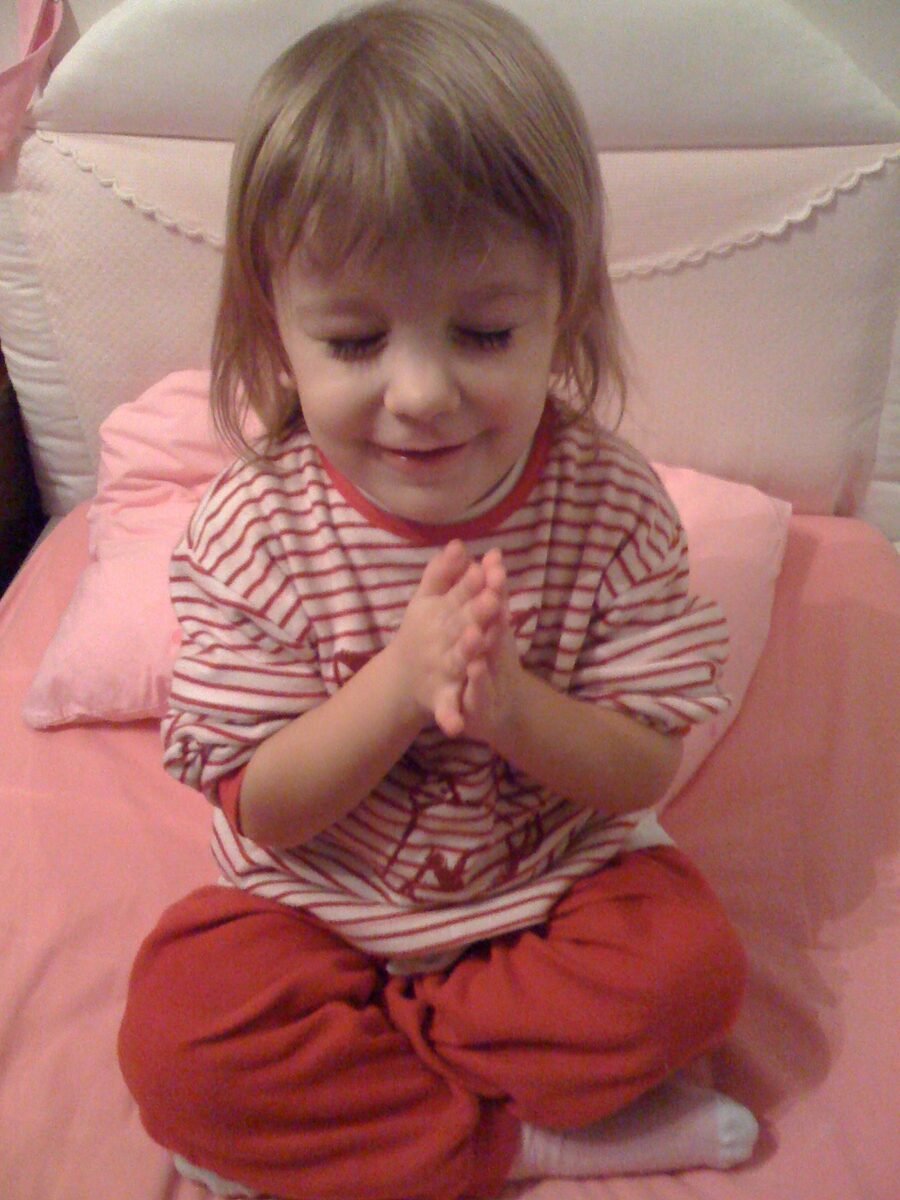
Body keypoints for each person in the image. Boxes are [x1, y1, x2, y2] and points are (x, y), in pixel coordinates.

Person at [118, 2, 759, 1197]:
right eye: (357, 343)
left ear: (562, 307)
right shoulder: (253, 531)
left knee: (692, 974)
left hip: (550, 883)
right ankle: (519, 1137)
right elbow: (263, 807)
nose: (422, 392)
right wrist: (403, 688)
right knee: (178, 1044)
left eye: (483, 329)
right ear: (278, 332)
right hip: (317, 903)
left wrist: (511, 708)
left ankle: (384, 1107)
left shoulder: (610, 505)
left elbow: (639, 773)